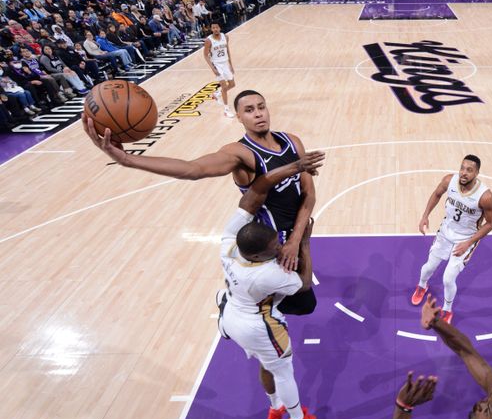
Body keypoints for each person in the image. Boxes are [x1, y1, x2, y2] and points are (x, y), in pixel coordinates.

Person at [82, 89, 319, 311]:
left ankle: (238, 299)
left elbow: (309, 193)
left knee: (304, 304)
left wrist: (297, 239)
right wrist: (127, 159)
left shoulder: (291, 141)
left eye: (261, 107)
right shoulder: (238, 152)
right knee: (285, 306)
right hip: (265, 243)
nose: (258, 114)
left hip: (293, 235)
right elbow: (192, 169)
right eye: (249, 110)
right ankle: (235, 304)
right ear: (238, 117)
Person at [217, 151, 324, 419]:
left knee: (266, 363)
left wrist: (272, 178)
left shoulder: (228, 243)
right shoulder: (268, 274)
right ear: (260, 255)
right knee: (283, 370)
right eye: (274, 247)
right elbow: (303, 285)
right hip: (258, 324)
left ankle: (275, 406)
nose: (279, 246)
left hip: (232, 316)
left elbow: (247, 203)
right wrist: (305, 245)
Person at [410, 155, 492, 324]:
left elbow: (491, 223)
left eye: (469, 170)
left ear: (477, 173)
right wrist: (425, 216)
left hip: (465, 239)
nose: (464, 173)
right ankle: (422, 286)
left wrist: (468, 243)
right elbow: (436, 194)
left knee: (448, 278)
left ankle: (447, 310)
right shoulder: (449, 180)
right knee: (428, 267)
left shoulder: (485, 196)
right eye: (462, 168)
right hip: (445, 233)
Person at [204, 22, 236, 118]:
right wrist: (213, 68)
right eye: (213, 28)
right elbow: (205, 55)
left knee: (232, 84)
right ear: (211, 29)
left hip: (225, 63)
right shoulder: (208, 40)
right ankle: (226, 110)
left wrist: (230, 64)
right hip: (217, 64)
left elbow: (227, 51)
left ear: (220, 28)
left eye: (217, 27)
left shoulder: (225, 37)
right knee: (224, 86)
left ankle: (217, 93)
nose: (215, 29)